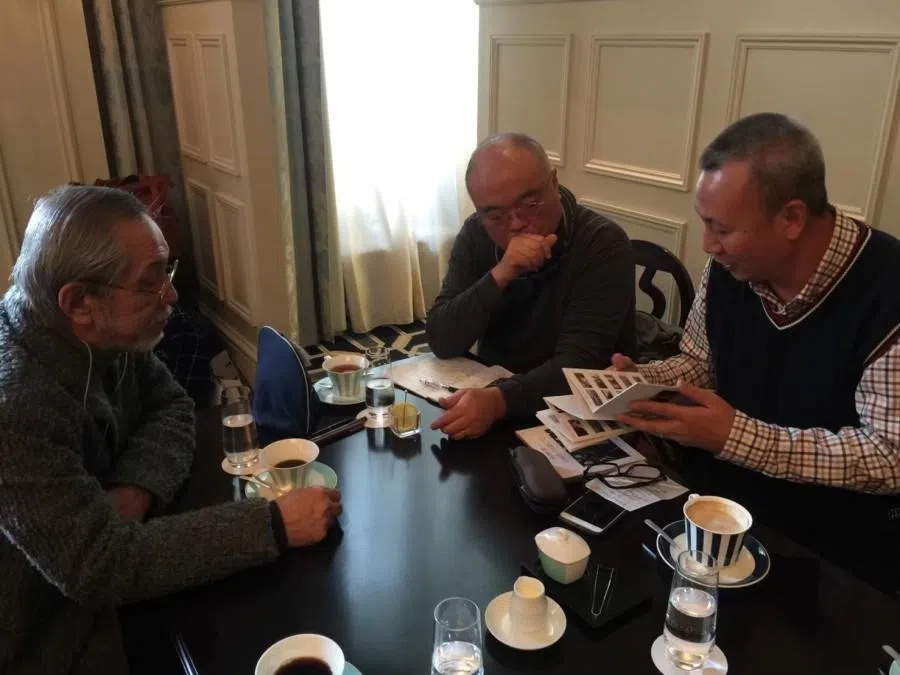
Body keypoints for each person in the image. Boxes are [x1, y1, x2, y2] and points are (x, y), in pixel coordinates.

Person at [0, 186, 343, 675]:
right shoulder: (14, 407)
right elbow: (100, 567)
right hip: (45, 632)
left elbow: (173, 405)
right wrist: (273, 524)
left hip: (100, 579)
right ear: (79, 301)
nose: (172, 294)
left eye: (168, 269)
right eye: (151, 281)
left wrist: (133, 489)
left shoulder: (93, 329)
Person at [611, 113, 900, 581]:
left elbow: (889, 457)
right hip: (721, 516)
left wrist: (736, 438)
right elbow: (701, 361)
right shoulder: (733, 271)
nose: (707, 245)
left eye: (721, 229)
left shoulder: (887, 295)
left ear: (791, 218)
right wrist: (641, 382)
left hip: (835, 556)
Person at [427, 133, 636, 439]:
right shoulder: (477, 233)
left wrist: (499, 400)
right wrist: (501, 274)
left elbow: (579, 367)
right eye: (495, 214)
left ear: (554, 182)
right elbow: (441, 338)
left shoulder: (603, 244)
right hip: (497, 399)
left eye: (530, 203)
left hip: (580, 416)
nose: (516, 223)